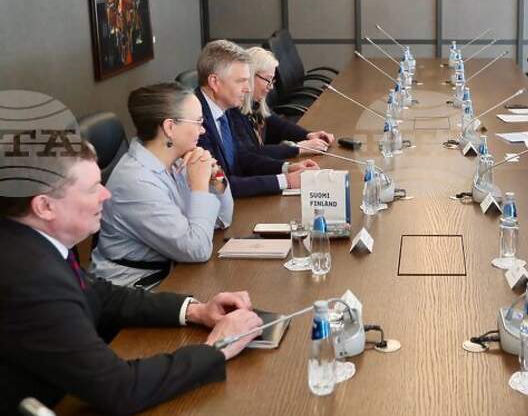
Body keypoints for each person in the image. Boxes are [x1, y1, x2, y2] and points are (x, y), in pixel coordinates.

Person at [0, 141, 263, 415]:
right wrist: (217, 347)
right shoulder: (31, 280)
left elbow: (99, 294)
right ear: (44, 206)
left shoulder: (28, 241)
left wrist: (196, 311)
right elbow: (119, 388)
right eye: (93, 188)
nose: (106, 194)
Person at [89, 83, 233, 288]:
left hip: (176, 269)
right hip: (137, 287)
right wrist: (200, 187)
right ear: (169, 128)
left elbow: (223, 218)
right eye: (198, 121)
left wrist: (214, 173)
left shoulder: (177, 160)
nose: (202, 130)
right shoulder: (136, 181)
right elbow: (197, 250)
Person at [195, 40, 319, 198]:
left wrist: (287, 168)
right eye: (240, 81)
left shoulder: (223, 108)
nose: (248, 88)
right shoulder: (195, 121)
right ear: (214, 82)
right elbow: (219, 185)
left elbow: (242, 157)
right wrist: (285, 181)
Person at [237, 46, 335, 160]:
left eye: (272, 81)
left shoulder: (255, 104)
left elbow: (278, 124)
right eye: (268, 80)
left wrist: (308, 135)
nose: (271, 87)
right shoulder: (234, 111)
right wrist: (298, 148)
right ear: (250, 75)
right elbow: (251, 152)